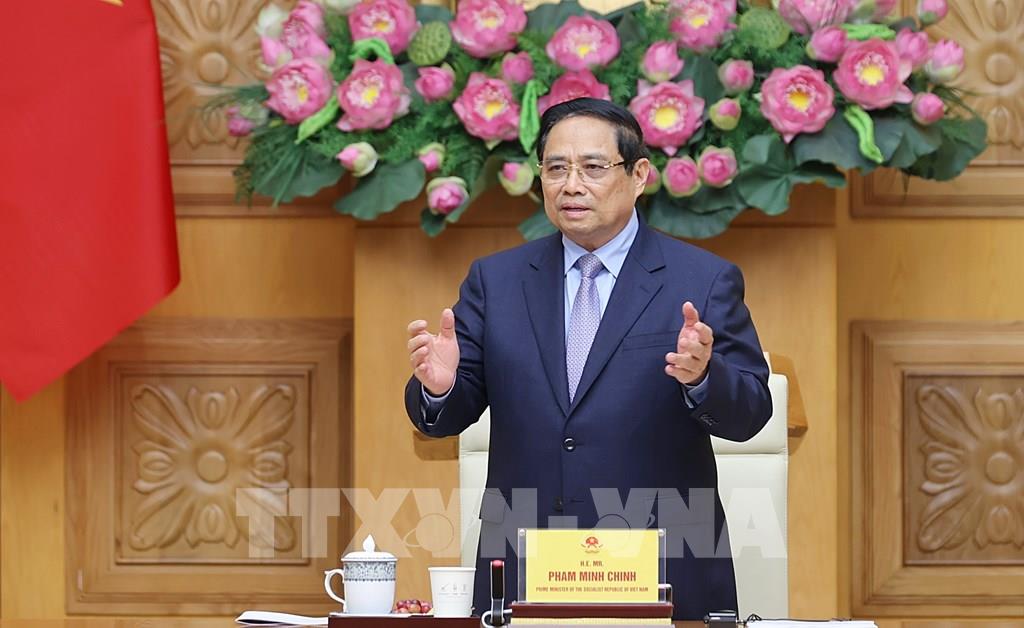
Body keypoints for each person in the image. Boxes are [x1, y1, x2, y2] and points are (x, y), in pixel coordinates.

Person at [404, 98, 772, 620]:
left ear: (639, 175)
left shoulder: (702, 279)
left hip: (663, 565)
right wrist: (441, 388)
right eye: (556, 168)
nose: (571, 185)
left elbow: (751, 413)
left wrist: (702, 378)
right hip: (525, 565)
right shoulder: (497, 282)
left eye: (593, 168)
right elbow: (444, 417)